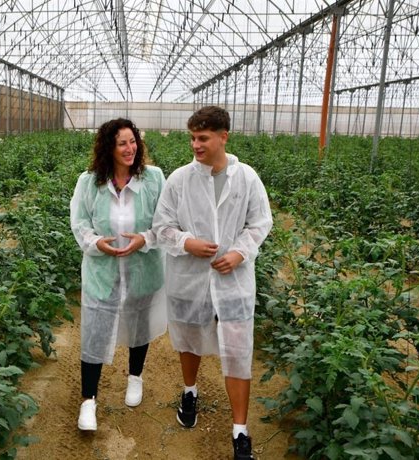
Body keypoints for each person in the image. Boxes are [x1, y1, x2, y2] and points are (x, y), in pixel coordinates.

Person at [152, 106, 272, 459]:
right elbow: (162, 227)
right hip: (189, 277)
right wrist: (186, 242)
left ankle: (240, 430)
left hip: (233, 279)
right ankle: (190, 391)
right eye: (192, 138)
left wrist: (239, 253)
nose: (195, 145)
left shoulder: (247, 178)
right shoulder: (179, 179)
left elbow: (260, 223)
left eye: (202, 138)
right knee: (188, 335)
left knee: (237, 348)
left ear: (223, 137)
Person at [70, 118, 167, 431]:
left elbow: (166, 222)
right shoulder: (90, 182)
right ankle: (89, 401)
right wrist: (97, 243)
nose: (130, 148)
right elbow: (80, 223)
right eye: (122, 143)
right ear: (108, 148)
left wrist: (145, 239)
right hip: (102, 270)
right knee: (95, 330)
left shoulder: (153, 178)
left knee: (139, 321)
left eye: (133, 141)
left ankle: (135, 378)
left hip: (143, 267)